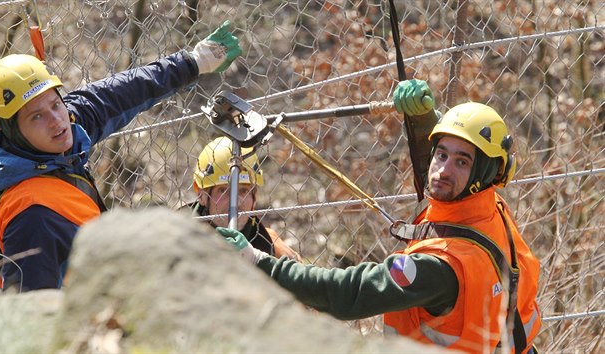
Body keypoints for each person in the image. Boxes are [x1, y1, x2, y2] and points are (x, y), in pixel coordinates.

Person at [218, 79, 541, 354]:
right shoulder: (491, 210)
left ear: (484, 173)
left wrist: (255, 259)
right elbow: (444, 169)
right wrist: (424, 119)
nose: (442, 170)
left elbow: (347, 293)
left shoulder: (441, 267)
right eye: (441, 155)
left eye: (462, 162)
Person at [0, 21, 242, 292]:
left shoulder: (52, 139)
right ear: (10, 130)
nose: (56, 121)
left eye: (56, 104)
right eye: (36, 116)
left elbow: (122, 92)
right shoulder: (33, 217)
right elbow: (28, 315)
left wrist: (193, 62)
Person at [184, 136, 301, 260]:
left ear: (255, 196)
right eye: (222, 190)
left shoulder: (274, 248)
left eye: (243, 190)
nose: (235, 201)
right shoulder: (173, 237)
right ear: (201, 194)